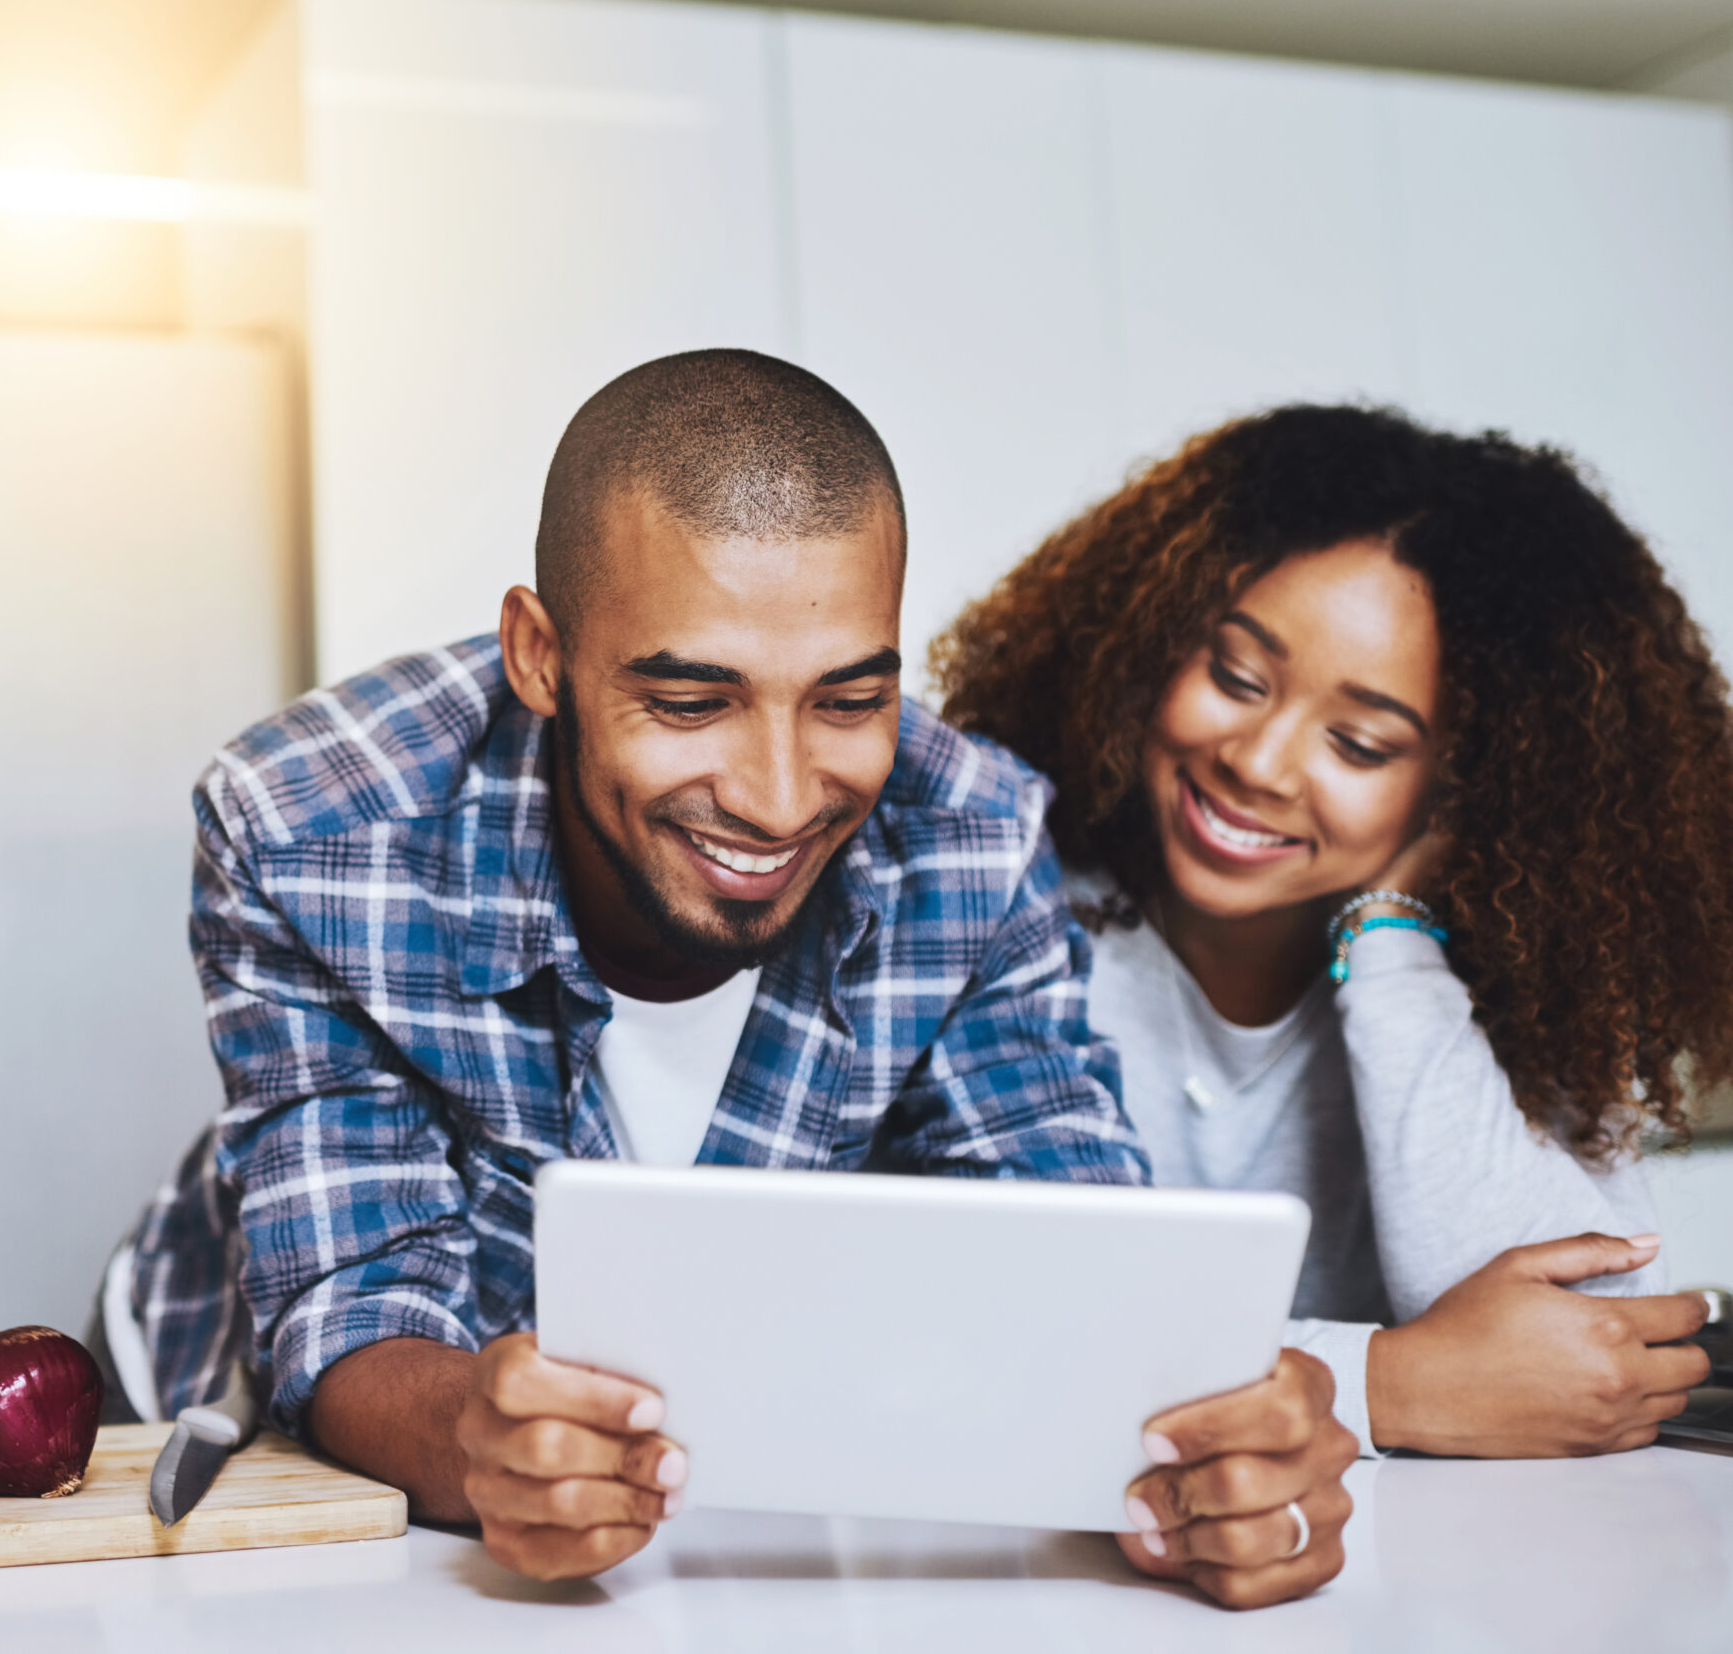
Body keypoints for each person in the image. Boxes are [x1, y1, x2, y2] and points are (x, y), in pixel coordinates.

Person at [105, 351, 1353, 1606]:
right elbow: (354, 1299)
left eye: (848, 698)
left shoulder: (969, 837)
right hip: (217, 1430)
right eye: (692, 700)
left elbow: (1083, 1260)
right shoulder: (312, 826)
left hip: (715, 1544)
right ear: (540, 657)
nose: (777, 796)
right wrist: (481, 1444)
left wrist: (1226, 1466)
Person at [933, 404, 1726, 1461]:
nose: (1259, 762)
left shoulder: (1514, 996)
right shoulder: (1000, 917)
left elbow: (1590, 1353)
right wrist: (1387, 1384)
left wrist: (1388, 935)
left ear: (1464, 791)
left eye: (1356, 743)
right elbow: (983, 1333)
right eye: (1234, 677)